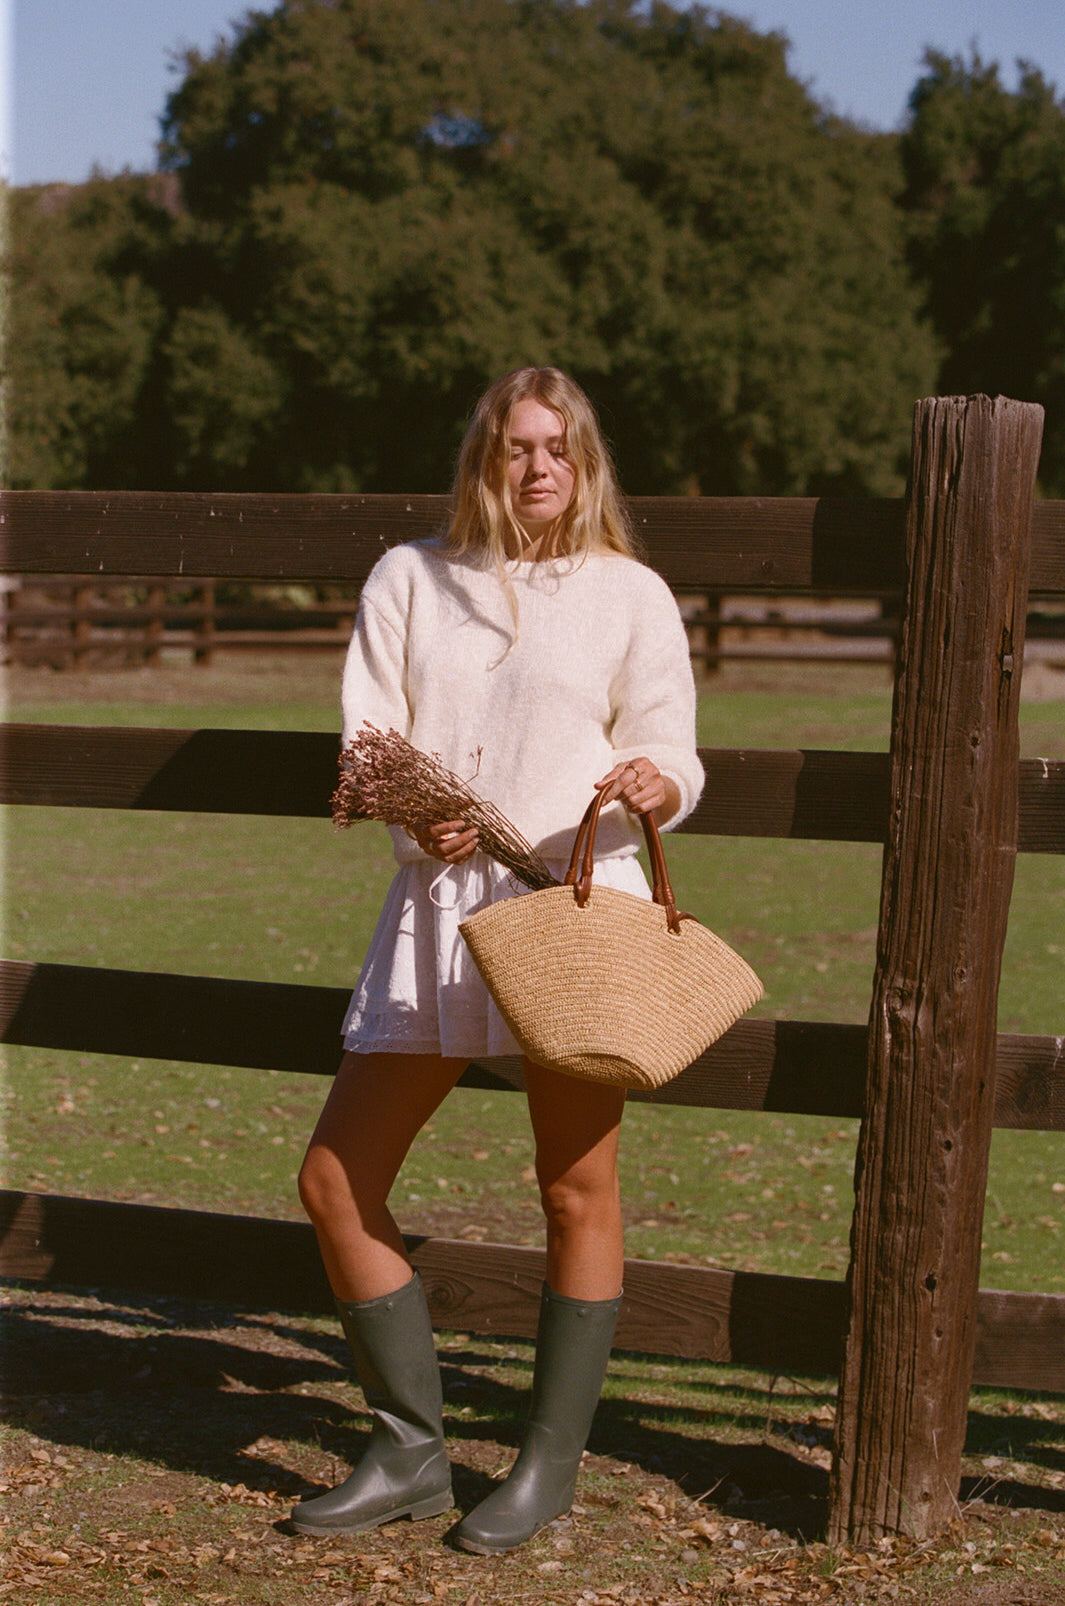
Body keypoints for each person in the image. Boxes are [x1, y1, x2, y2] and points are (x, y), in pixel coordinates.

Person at [293, 366, 705, 1554]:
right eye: (518, 446)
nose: (539, 467)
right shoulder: (409, 578)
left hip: (570, 913)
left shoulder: (629, 592)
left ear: (586, 464)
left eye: (559, 448)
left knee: (575, 1189)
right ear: (484, 458)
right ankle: (409, 1453)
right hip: (437, 913)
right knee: (334, 1179)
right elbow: (371, 739)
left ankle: (545, 1467)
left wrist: (658, 780)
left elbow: (672, 743)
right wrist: (413, 816)